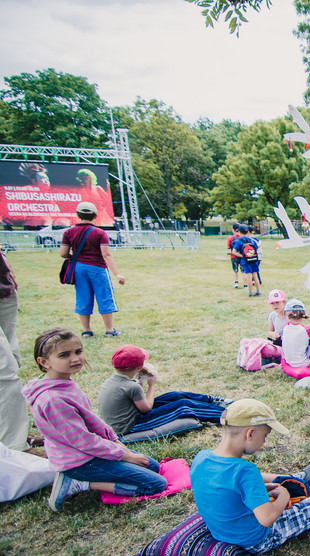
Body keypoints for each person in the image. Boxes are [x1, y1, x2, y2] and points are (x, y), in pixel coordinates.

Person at [190, 398, 310, 555]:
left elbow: (225, 489)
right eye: (265, 435)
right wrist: (283, 496)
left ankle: (298, 477)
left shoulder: (201, 458)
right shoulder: (244, 471)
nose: (265, 441)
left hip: (222, 533)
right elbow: (267, 518)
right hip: (257, 538)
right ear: (249, 433)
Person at [22, 329, 166, 511]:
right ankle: (77, 483)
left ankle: (96, 475)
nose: (75, 359)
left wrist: (113, 440)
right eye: (64, 355)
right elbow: (83, 441)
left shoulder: (63, 381)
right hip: (78, 462)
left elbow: (89, 420)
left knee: (153, 467)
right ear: (44, 362)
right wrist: (125, 454)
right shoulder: (53, 400)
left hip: (91, 452)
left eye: (78, 351)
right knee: (155, 484)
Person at [98, 345, 229, 440]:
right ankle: (228, 416)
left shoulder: (112, 381)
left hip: (126, 417)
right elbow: (146, 409)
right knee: (183, 406)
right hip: (132, 426)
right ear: (139, 367)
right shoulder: (132, 387)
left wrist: (140, 386)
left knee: (174, 396)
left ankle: (211, 400)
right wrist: (151, 386)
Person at [59, 202, 126, 337]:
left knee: (83, 297)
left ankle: (87, 331)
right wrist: (117, 274)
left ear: (78, 215)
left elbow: (63, 253)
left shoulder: (69, 232)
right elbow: (106, 255)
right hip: (97, 268)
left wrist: (74, 257)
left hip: (79, 268)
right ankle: (109, 330)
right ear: (95, 215)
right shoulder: (100, 233)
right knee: (104, 296)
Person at [0, 250, 29, 451]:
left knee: (12, 358)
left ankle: (14, 433)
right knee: (4, 370)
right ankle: (14, 447)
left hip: (3, 289)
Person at [231, 225, 262, 297]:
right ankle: (258, 291)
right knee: (255, 275)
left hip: (245, 261)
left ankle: (250, 292)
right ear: (247, 231)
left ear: (239, 231)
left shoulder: (238, 241)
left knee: (249, 276)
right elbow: (257, 250)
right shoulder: (251, 240)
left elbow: (234, 252)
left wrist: (243, 256)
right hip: (254, 260)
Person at [228, 222, 242, 288]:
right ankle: (246, 284)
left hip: (233, 256)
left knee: (235, 270)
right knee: (243, 270)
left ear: (233, 229)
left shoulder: (230, 237)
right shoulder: (242, 237)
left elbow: (228, 247)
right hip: (242, 256)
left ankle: (236, 282)